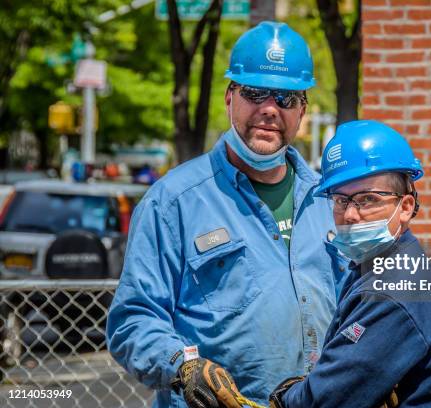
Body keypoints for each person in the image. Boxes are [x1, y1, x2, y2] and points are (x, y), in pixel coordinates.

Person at [106, 21, 348, 408]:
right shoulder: (173, 202)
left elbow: (356, 306)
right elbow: (133, 320)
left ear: (302, 110)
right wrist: (183, 368)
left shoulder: (329, 200)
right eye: (254, 92)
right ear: (229, 97)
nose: (270, 109)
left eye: (286, 98)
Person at [189, 120, 431, 408]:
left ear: (405, 207)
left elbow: (326, 399)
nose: (351, 215)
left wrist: (284, 400)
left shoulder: (391, 289)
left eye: (368, 199)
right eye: (341, 200)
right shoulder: (380, 264)